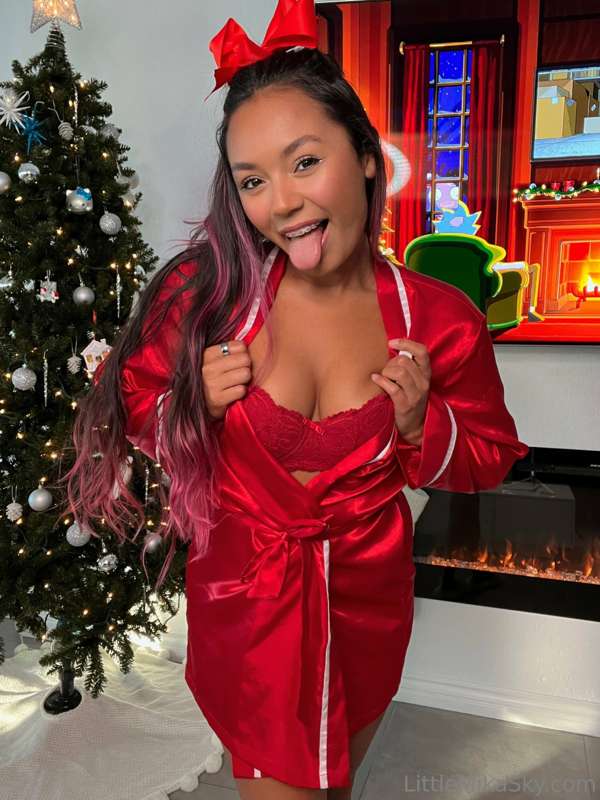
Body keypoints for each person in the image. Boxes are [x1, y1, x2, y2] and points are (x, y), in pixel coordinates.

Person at [63, 1, 529, 798]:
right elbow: (135, 402)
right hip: (249, 612)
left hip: (366, 613)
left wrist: (421, 422)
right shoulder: (207, 297)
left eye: (304, 162)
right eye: (253, 180)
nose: (279, 202)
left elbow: (492, 457)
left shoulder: (440, 319)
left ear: (368, 158)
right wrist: (195, 404)